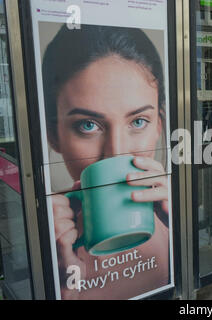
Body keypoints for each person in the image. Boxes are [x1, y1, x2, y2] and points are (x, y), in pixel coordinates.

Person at [42, 24, 169, 299]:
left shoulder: (171, 218)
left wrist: (179, 229)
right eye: (88, 125)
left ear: (158, 126)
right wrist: (61, 285)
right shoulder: (49, 243)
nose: (117, 153)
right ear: (54, 135)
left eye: (138, 121)